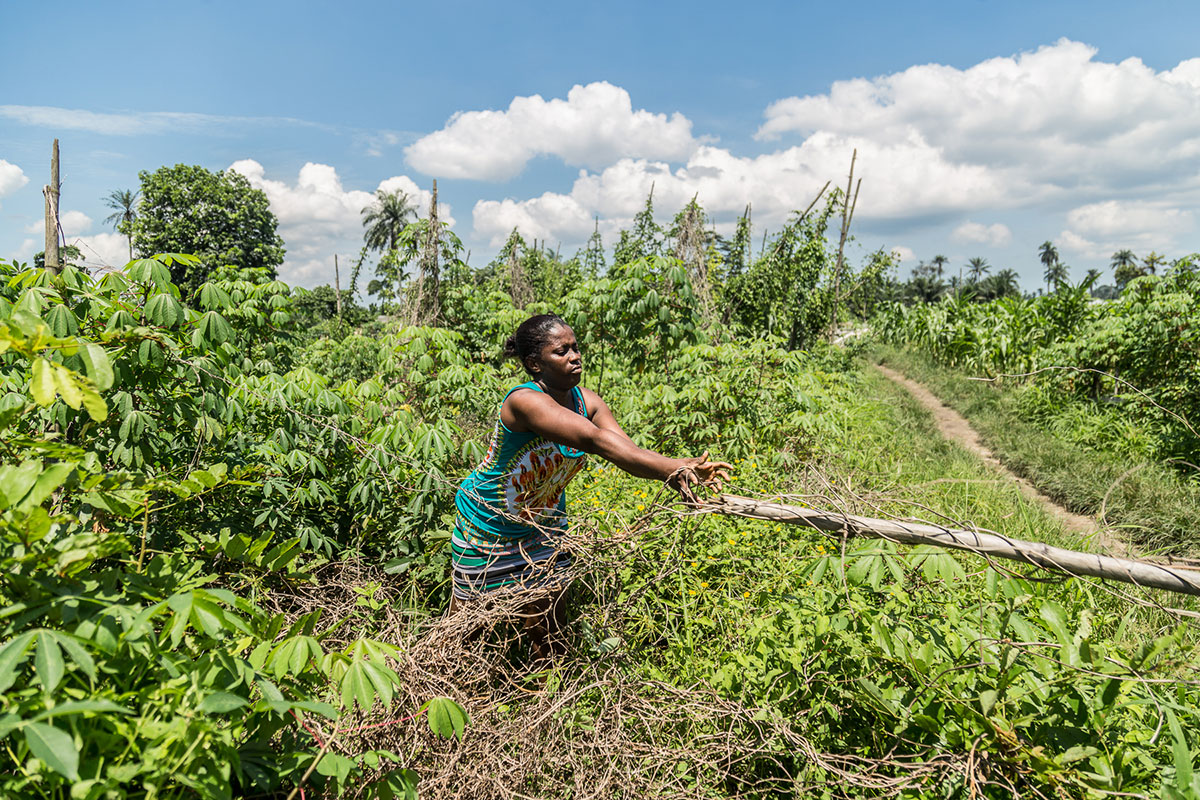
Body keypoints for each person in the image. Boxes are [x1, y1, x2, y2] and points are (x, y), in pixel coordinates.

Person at [450, 313, 730, 659]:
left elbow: (626, 450)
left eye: (575, 347)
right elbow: (594, 441)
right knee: (467, 635)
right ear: (534, 363)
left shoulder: (588, 401)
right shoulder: (524, 401)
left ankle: (546, 687)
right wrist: (674, 466)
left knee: (550, 632)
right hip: (487, 529)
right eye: (561, 351)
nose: (575, 356)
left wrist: (676, 474)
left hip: (544, 528)